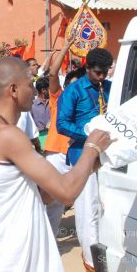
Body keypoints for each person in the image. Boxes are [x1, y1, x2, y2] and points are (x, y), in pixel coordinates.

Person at [0, 57, 112, 272]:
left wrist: (95, 161)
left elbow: (45, 194)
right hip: (3, 269)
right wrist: (90, 148)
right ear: (13, 90)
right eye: (30, 84)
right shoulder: (8, 135)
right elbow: (67, 193)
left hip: (5, 265)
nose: (35, 91)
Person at [56, 47, 113, 272]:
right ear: (87, 68)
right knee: (87, 209)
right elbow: (62, 124)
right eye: (98, 72)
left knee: (105, 206)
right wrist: (90, 136)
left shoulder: (110, 87)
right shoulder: (73, 91)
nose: (102, 77)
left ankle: (107, 255)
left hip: (109, 156)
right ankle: (92, 263)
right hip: (82, 156)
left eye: (105, 72)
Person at [42, 35, 82, 234]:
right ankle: (43, 241)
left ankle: (52, 241)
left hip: (76, 156)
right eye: (72, 85)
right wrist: (66, 46)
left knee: (66, 204)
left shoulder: (86, 104)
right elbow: (52, 74)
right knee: (49, 202)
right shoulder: (58, 97)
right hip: (56, 156)